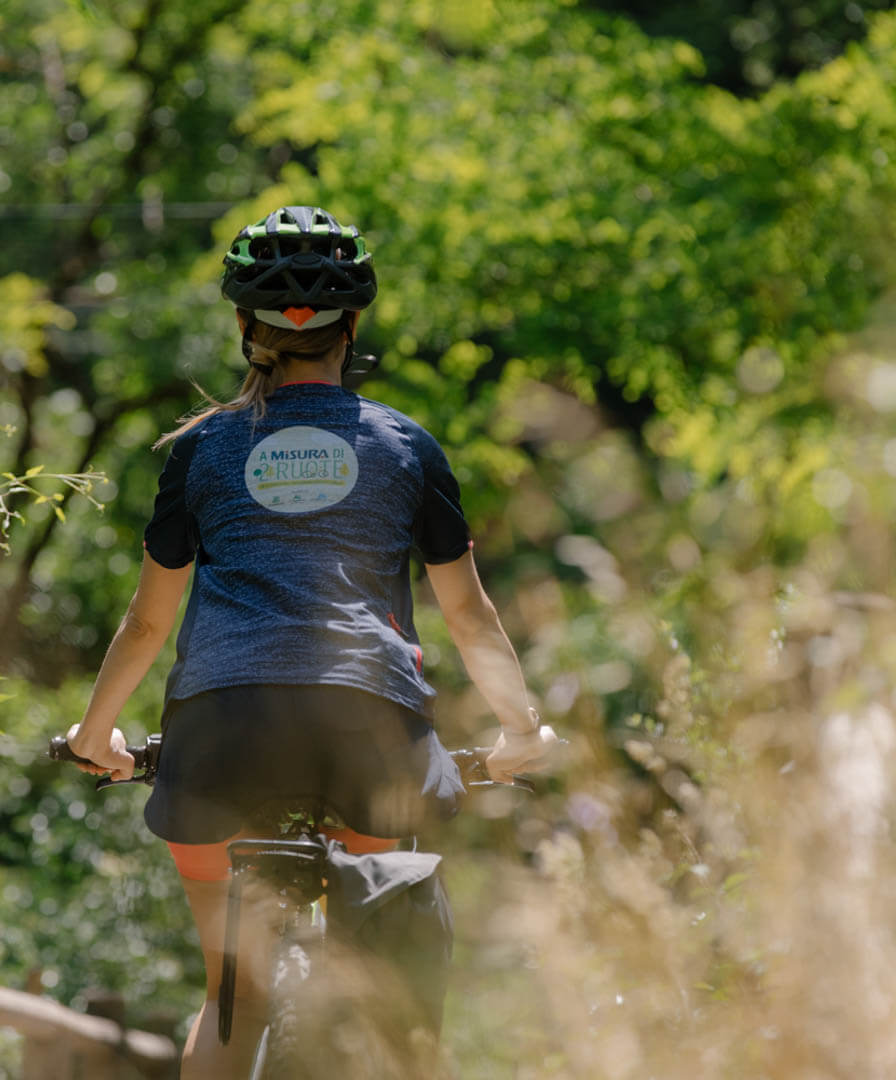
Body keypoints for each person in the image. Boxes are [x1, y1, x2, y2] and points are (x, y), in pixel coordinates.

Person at [66, 205, 555, 1078]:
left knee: (230, 996)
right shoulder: (405, 445)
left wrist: (94, 734)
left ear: (249, 328)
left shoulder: (203, 450)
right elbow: (471, 616)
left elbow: (148, 622)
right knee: (384, 987)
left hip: (220, 731)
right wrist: (520, 733)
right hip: (369, 725)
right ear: (352, 325)